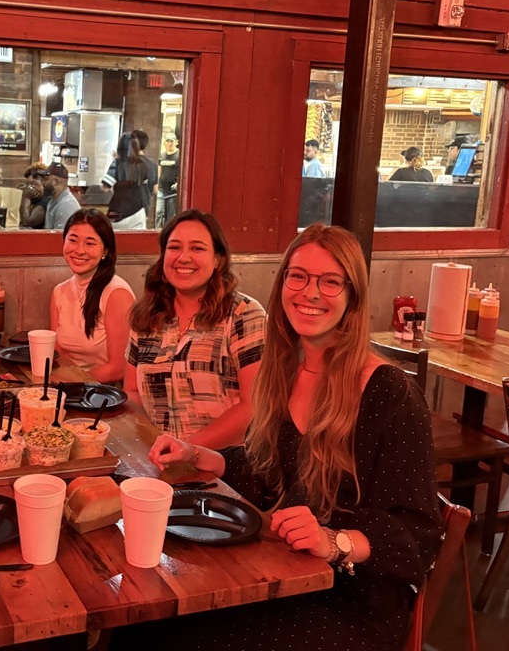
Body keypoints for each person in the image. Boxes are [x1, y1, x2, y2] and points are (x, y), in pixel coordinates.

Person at [125, 223, 442, 651]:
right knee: (146, 620)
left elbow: (420, 534)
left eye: (330, 281)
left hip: (353, 599)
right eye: (299, 276)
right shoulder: (289, 369)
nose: (310, 293)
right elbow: (270, 473)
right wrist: (199, 454)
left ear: (353, 296)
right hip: (287, 571)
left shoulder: (389, 392)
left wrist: (333, 542)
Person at [125, 209, 265, 448]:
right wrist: (150, 447)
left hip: (225, 461)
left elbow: (254, 405)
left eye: (197, 248)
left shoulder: (243, 314)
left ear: (218, 260)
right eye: (174, 247)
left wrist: (186, 449)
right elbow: (132, 392)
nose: (183, 257)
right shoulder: (147, 313)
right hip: (156, 456)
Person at [50, 209, 135, 384]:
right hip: (68, 386)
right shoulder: (59, 291)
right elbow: (56, 351)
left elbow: (119, 368)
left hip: (104, 392)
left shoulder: (117, 294)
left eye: (90, 243)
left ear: (105, 251)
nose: (79, 250)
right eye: (73, 240)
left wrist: (71, 383)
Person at [102, 132, 155, 230]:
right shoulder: (142, 165)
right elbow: (149, 186)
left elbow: (105, 188)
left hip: (116, 211)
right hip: (136, 211)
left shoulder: (117, 163)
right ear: (136, 146)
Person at [39, 161, 81, 229]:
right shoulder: (52, 202)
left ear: (56, 181)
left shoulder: (66, 204)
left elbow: (60, 235)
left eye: (46, 179)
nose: (42, 183)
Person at [155, 133, 180, 228]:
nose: (169, 143)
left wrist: (178, 183)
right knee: (158, 212)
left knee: (170, 216)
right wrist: (157, 184)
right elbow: (159, 171)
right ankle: (156, 232)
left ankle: (168, 232)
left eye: (171, 141)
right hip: (161, 189)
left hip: (173, 191)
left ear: (176, 142)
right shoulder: (162, 155)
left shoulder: (179, 155)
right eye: (167, 141)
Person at [20, 161, 51, 229]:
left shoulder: (47, 199)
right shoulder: (35, 198)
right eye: (28, 184)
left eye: (33, 183)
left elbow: (27, 222)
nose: (30, 187)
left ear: (44, 182)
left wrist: (27, 198)